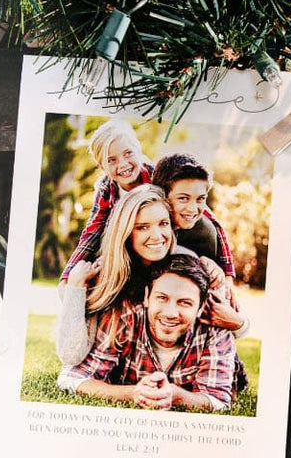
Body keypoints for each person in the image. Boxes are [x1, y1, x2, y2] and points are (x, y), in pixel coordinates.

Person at [54, 186, 246, 367]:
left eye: (163, 223)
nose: (157, 236)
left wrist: (239, 324)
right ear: (126, 232)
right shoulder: (105, 274)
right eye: (142, 227)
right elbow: (71, 355)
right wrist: (75, 287)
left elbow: (224, 322)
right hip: (124, 374)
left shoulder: (189, 264)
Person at [57, 254, 236, 411]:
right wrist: (133, 393)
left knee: (236, 378)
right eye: (162, 298)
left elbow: (218, 400)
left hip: (221, 360)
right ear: (147, 296)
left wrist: (175, 395)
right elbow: (71, 378)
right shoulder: (124, 316)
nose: (170, 313)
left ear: (201, 307)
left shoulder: (216, 331)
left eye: (185, 302)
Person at [60, 120, 154, 283]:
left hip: (158, 245)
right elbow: (92, 231)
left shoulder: (158, 177)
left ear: (138, 150)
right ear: (102, 167)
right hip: (123, 252)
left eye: (128, 153)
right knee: (105, 232)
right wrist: (67, 277)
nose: (123, 164)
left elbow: (194, 209)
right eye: (111, 160)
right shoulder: (106, 190)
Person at [151, 154, 235, 278]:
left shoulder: (205, 234)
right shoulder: (141, 223)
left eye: (200, 199)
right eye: (183, 198)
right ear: (161, 195)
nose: (192, 209)